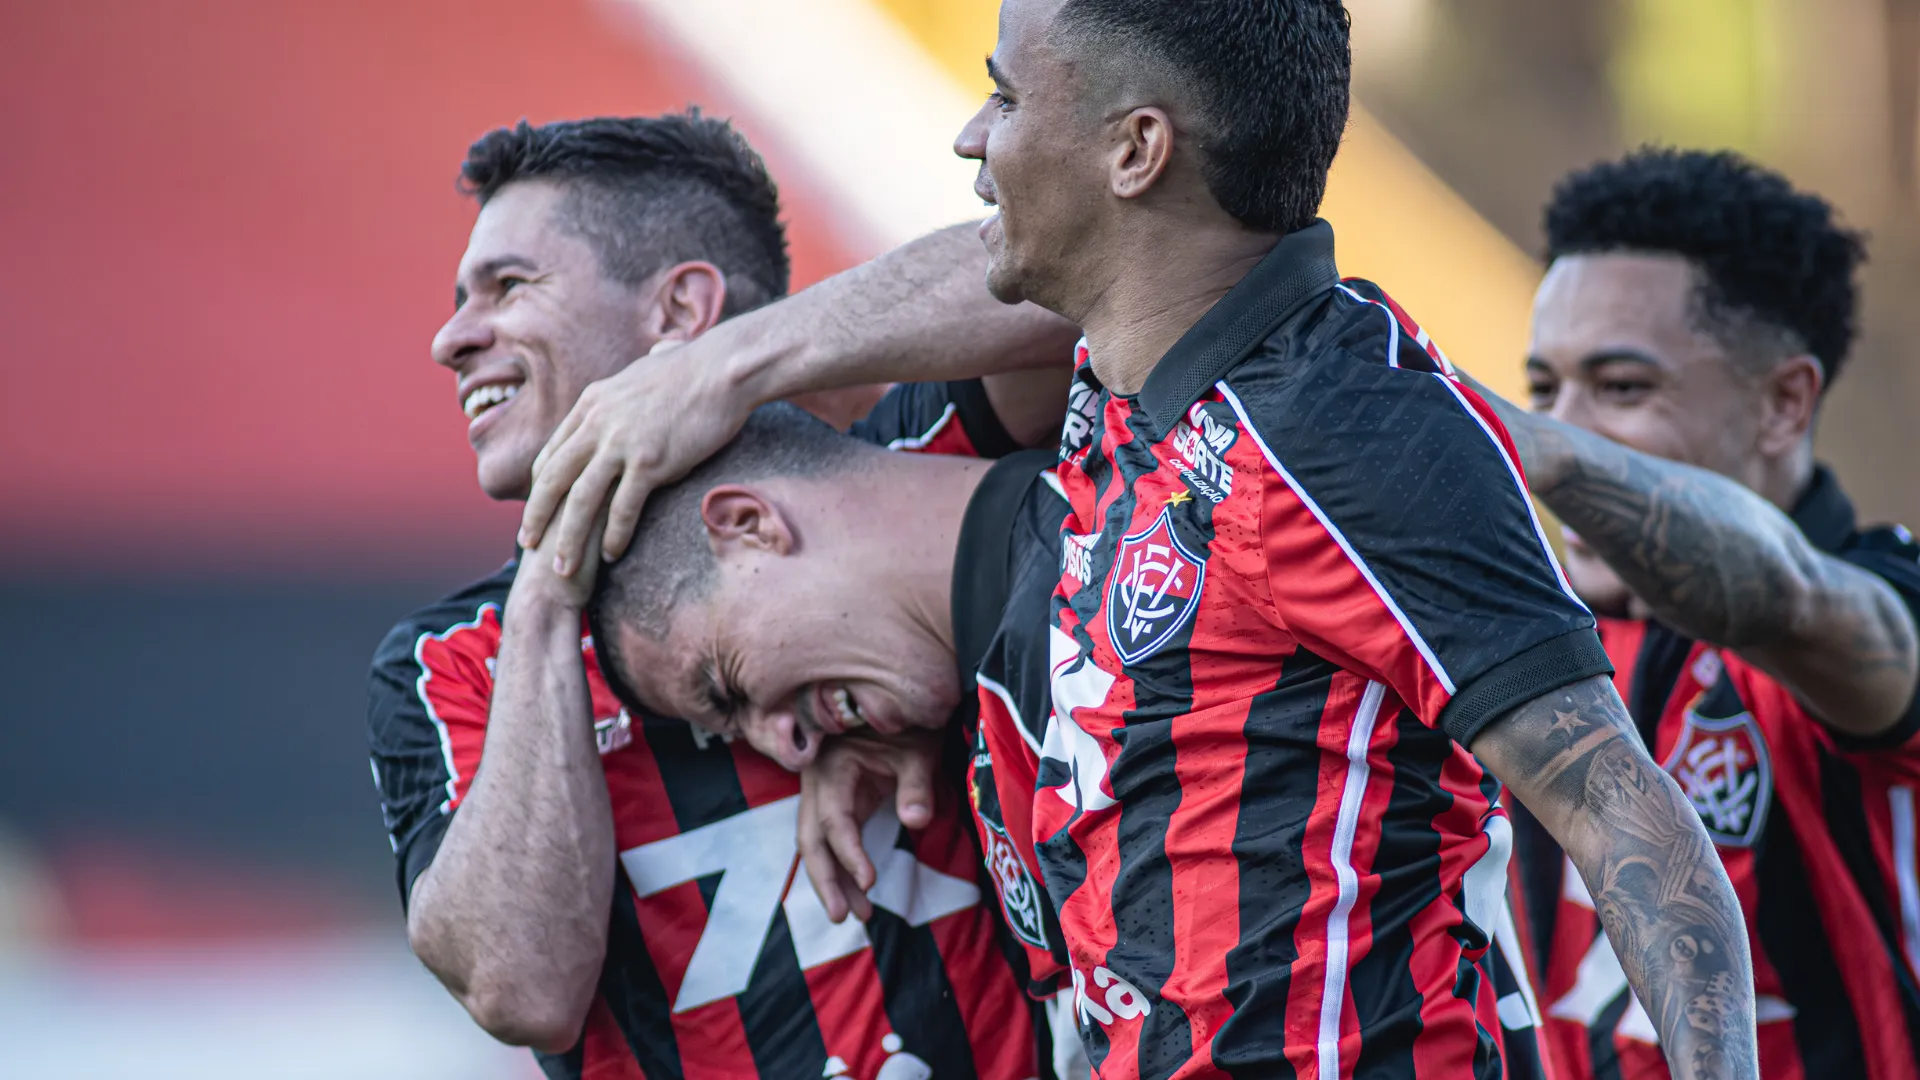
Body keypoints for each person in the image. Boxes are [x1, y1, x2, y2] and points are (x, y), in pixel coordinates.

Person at [520, 3, 1761, 1077]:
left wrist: (730, 362)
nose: (972, 136)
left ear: (1136, 150)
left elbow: (1631, 823)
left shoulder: (1341, 421)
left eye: (1003, 96)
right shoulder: (1114, 417)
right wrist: (864, 719)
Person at [365, 113, 1079, 1080]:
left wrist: (728, 368)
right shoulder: (458, 657)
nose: (452, 338)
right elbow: (521, 987)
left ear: (679, 310)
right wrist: (549, 576)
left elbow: (1092, 281)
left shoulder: (886, 474)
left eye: (508, 285)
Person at [1462, 147, 1920, 1080]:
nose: (1570, 426)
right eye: (1545, 388)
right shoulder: (1509, 617)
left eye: (1623, 388)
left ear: (1784, 404)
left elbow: (1789, 596)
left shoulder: (1860, 608)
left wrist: (1507, 436)